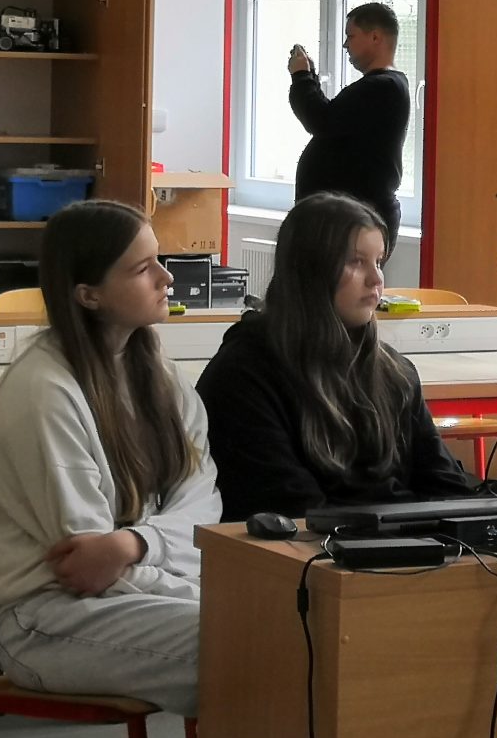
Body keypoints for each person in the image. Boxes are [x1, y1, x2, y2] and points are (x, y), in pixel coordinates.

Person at [0, 200, 217, 738]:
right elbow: (85, 567)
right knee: (248, 649)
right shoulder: (45, 392)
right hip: (45, 619)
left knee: (276, 632)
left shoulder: (159, 375)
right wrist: (164, 560)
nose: (166, 277)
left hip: (139, 590)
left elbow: (204, 503)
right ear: (87, 293)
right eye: (143, 268)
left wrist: (138, 544)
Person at [197, 192, 472, 519]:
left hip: (399, 540)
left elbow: (446, 487)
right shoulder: (243, 375)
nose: (376, 279)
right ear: (311, 271)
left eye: (379, 262)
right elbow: (290, 509)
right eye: (356, 262)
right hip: (311, 546)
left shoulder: (395, 372)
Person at [289, 1, 410, 259]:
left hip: (355, 220)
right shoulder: (380, 87)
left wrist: (301, 78)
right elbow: (330, 122)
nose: (345, 45)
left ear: (375, 37)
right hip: (343, 218)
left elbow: (319, 120)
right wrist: (309, 78)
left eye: (351, 36)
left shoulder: (382, 87)